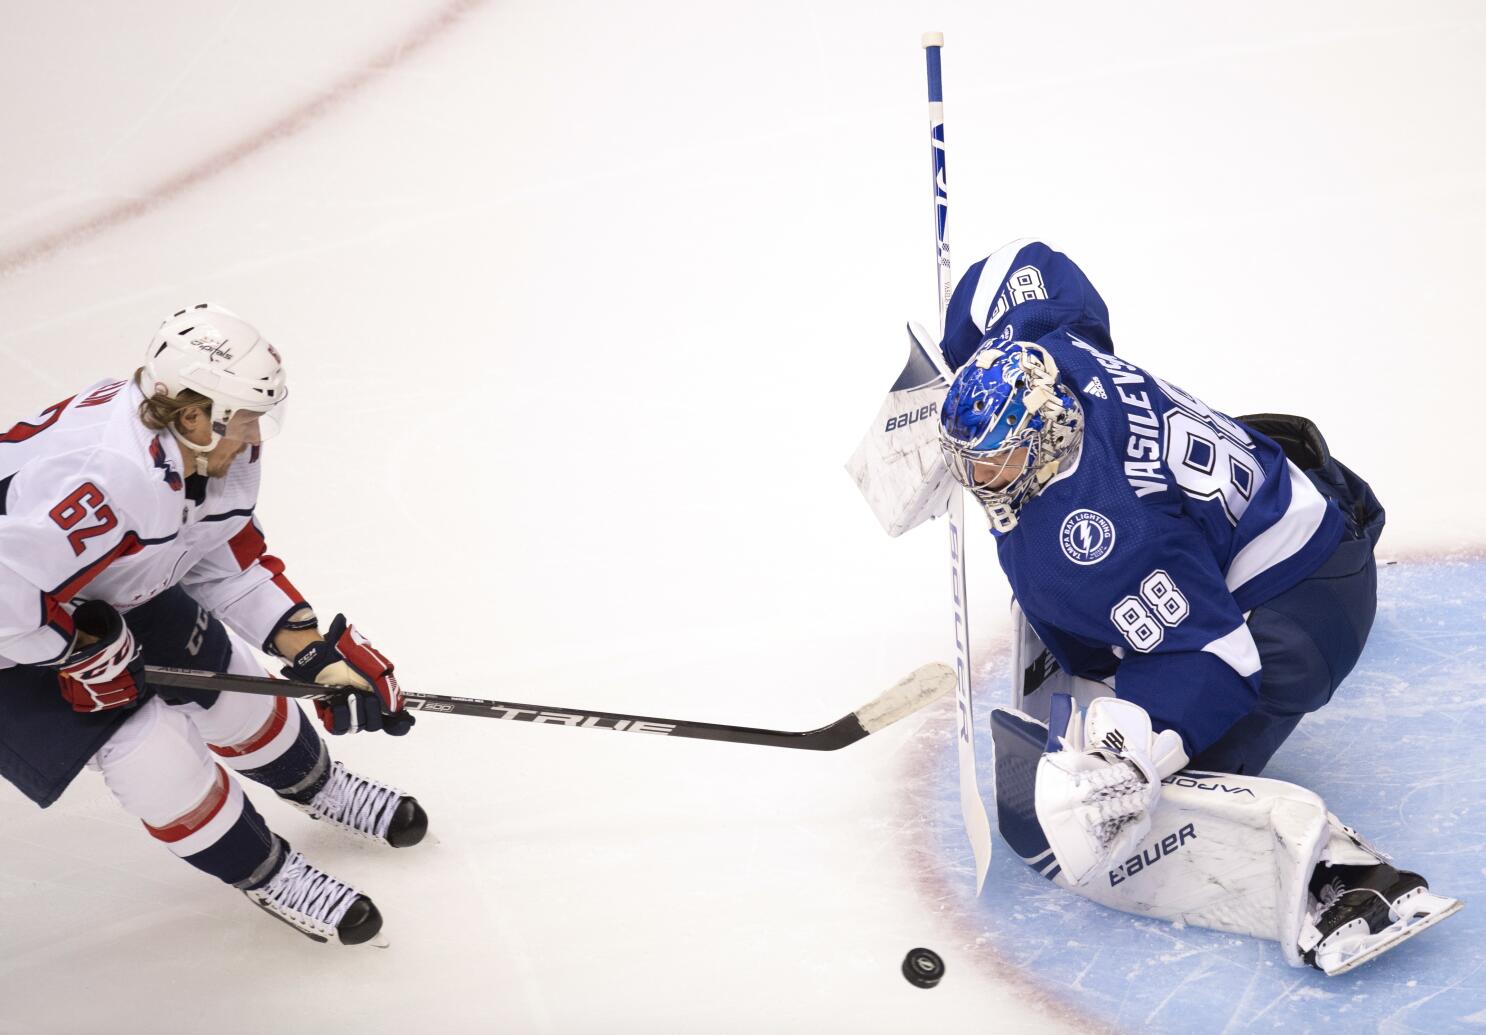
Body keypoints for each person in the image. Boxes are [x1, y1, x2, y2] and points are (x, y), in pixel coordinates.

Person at [935, 239, 1459, 974]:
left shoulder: (1102, 535)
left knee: (1170, 777)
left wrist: (1140, 752)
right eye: (968, 461)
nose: (978, 481)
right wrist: (954, 361)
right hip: (1290, 490)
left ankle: (1345, 878)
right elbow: (1024, 272)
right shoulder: (1043, 350)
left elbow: (1217, 656)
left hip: (1307, 602)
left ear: (1047, 432)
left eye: (993, 461)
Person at [0, 303, 425, 947]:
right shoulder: (106, 477)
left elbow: (224, 560)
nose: (257, 435)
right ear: (195, 413)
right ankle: (270, 875)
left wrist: (313, 653)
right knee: (152, 752)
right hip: (15, 633)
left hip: (92, 582)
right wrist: (76, 652)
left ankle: (323, 786)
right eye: (249, 416)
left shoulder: (205, 454)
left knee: (228, 683)